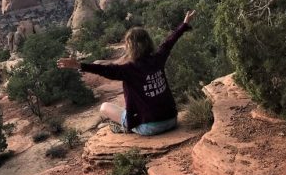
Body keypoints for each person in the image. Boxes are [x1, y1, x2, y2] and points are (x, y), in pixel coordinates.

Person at [57, 10, 196, 136]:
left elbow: (104, 70)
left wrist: (78, 65)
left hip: (150, 127)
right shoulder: (158, 58)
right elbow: (168, 42)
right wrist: (184, 25)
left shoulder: (128, 70)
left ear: (131, 47)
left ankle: (124, 127)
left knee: (104, 107)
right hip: (171, 119)